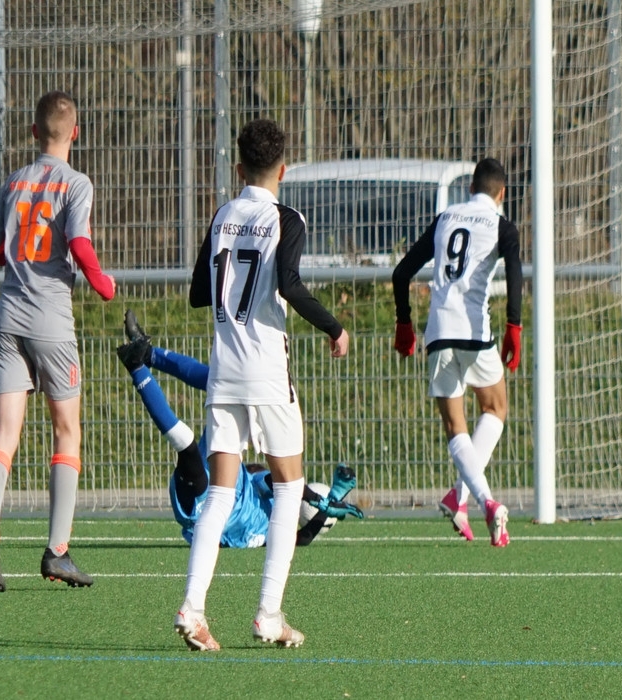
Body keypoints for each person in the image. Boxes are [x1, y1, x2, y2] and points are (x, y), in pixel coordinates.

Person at [176, 118, 350, 651]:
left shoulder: (222, 215)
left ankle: (193, 608)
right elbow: (290, 285)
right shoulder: (286, 218)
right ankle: (268, 614)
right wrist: (334, 327)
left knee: (220, 493)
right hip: (268, 372)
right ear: (284, 169)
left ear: (238, 168)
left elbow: (198, 294)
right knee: (289, 487)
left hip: (224, 372)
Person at [0, 90, 116, 592]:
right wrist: (102, 283)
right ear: (75, 132)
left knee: (4, 432)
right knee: (66, 431)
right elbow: (79, 242)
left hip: (8, 318)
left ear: (34, 132)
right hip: (51, 320)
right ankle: (57, 551)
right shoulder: (76, 183)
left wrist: (19, 259)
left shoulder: (15, 180)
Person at [115, 310, 362, 549]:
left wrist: (323, 502)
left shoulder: (275, 527)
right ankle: (147, 353)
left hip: (201, 505)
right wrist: (324, 499)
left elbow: (302, 537)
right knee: (218, 382)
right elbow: (271, 479)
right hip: (216, 476)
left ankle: (137, 367)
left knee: (186, 446)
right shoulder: (266, 494)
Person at [391, 157, 523, 548]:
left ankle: (464, 497)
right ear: (501, 194)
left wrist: (404, 323)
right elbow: (515, 274)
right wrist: (514, 326)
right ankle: (483, 502)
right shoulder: (502, 226)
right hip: (476, 333)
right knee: (495, 408)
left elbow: (401, 273)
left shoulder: (445, 218)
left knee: (456, 428)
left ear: (470, 188)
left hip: (438, 334)